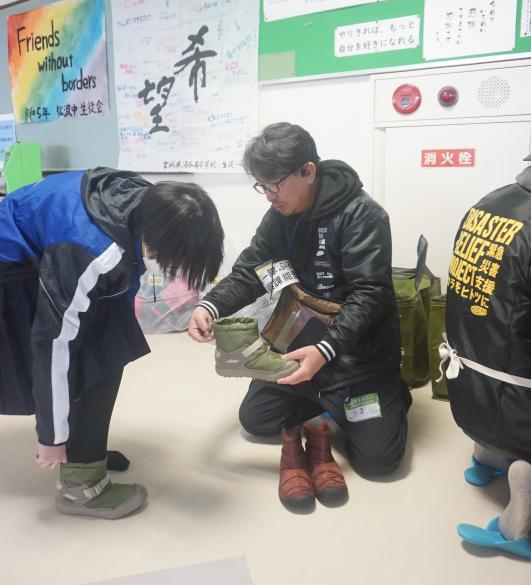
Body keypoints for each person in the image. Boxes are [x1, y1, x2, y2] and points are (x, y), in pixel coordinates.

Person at [189, 122, 409, 511]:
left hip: (358, 357)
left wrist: (326, 350)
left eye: (274, 184)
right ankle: (325, 404)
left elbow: (370, 295)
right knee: (256, 420)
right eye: (261, 186)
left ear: (308, 171)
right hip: (300, 347)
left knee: (379, 462)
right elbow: (252, 271)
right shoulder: (279, 217)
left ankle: (383, 396)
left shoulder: (363, 214)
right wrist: (210, 305)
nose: (269, 195)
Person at [0, 167, 224, 519]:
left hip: (44, 248)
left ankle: (85, 451)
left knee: (110, 345)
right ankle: (78, 488)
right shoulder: (91, 251)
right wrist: (51, 437)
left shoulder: (148, 203)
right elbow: (53, 344)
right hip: (10, 272)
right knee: (88, 353)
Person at [441, 155, 531, 557]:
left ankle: (488, 457)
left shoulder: (489, 203)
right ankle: (520, 525)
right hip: (521, 411)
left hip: (469, 394)